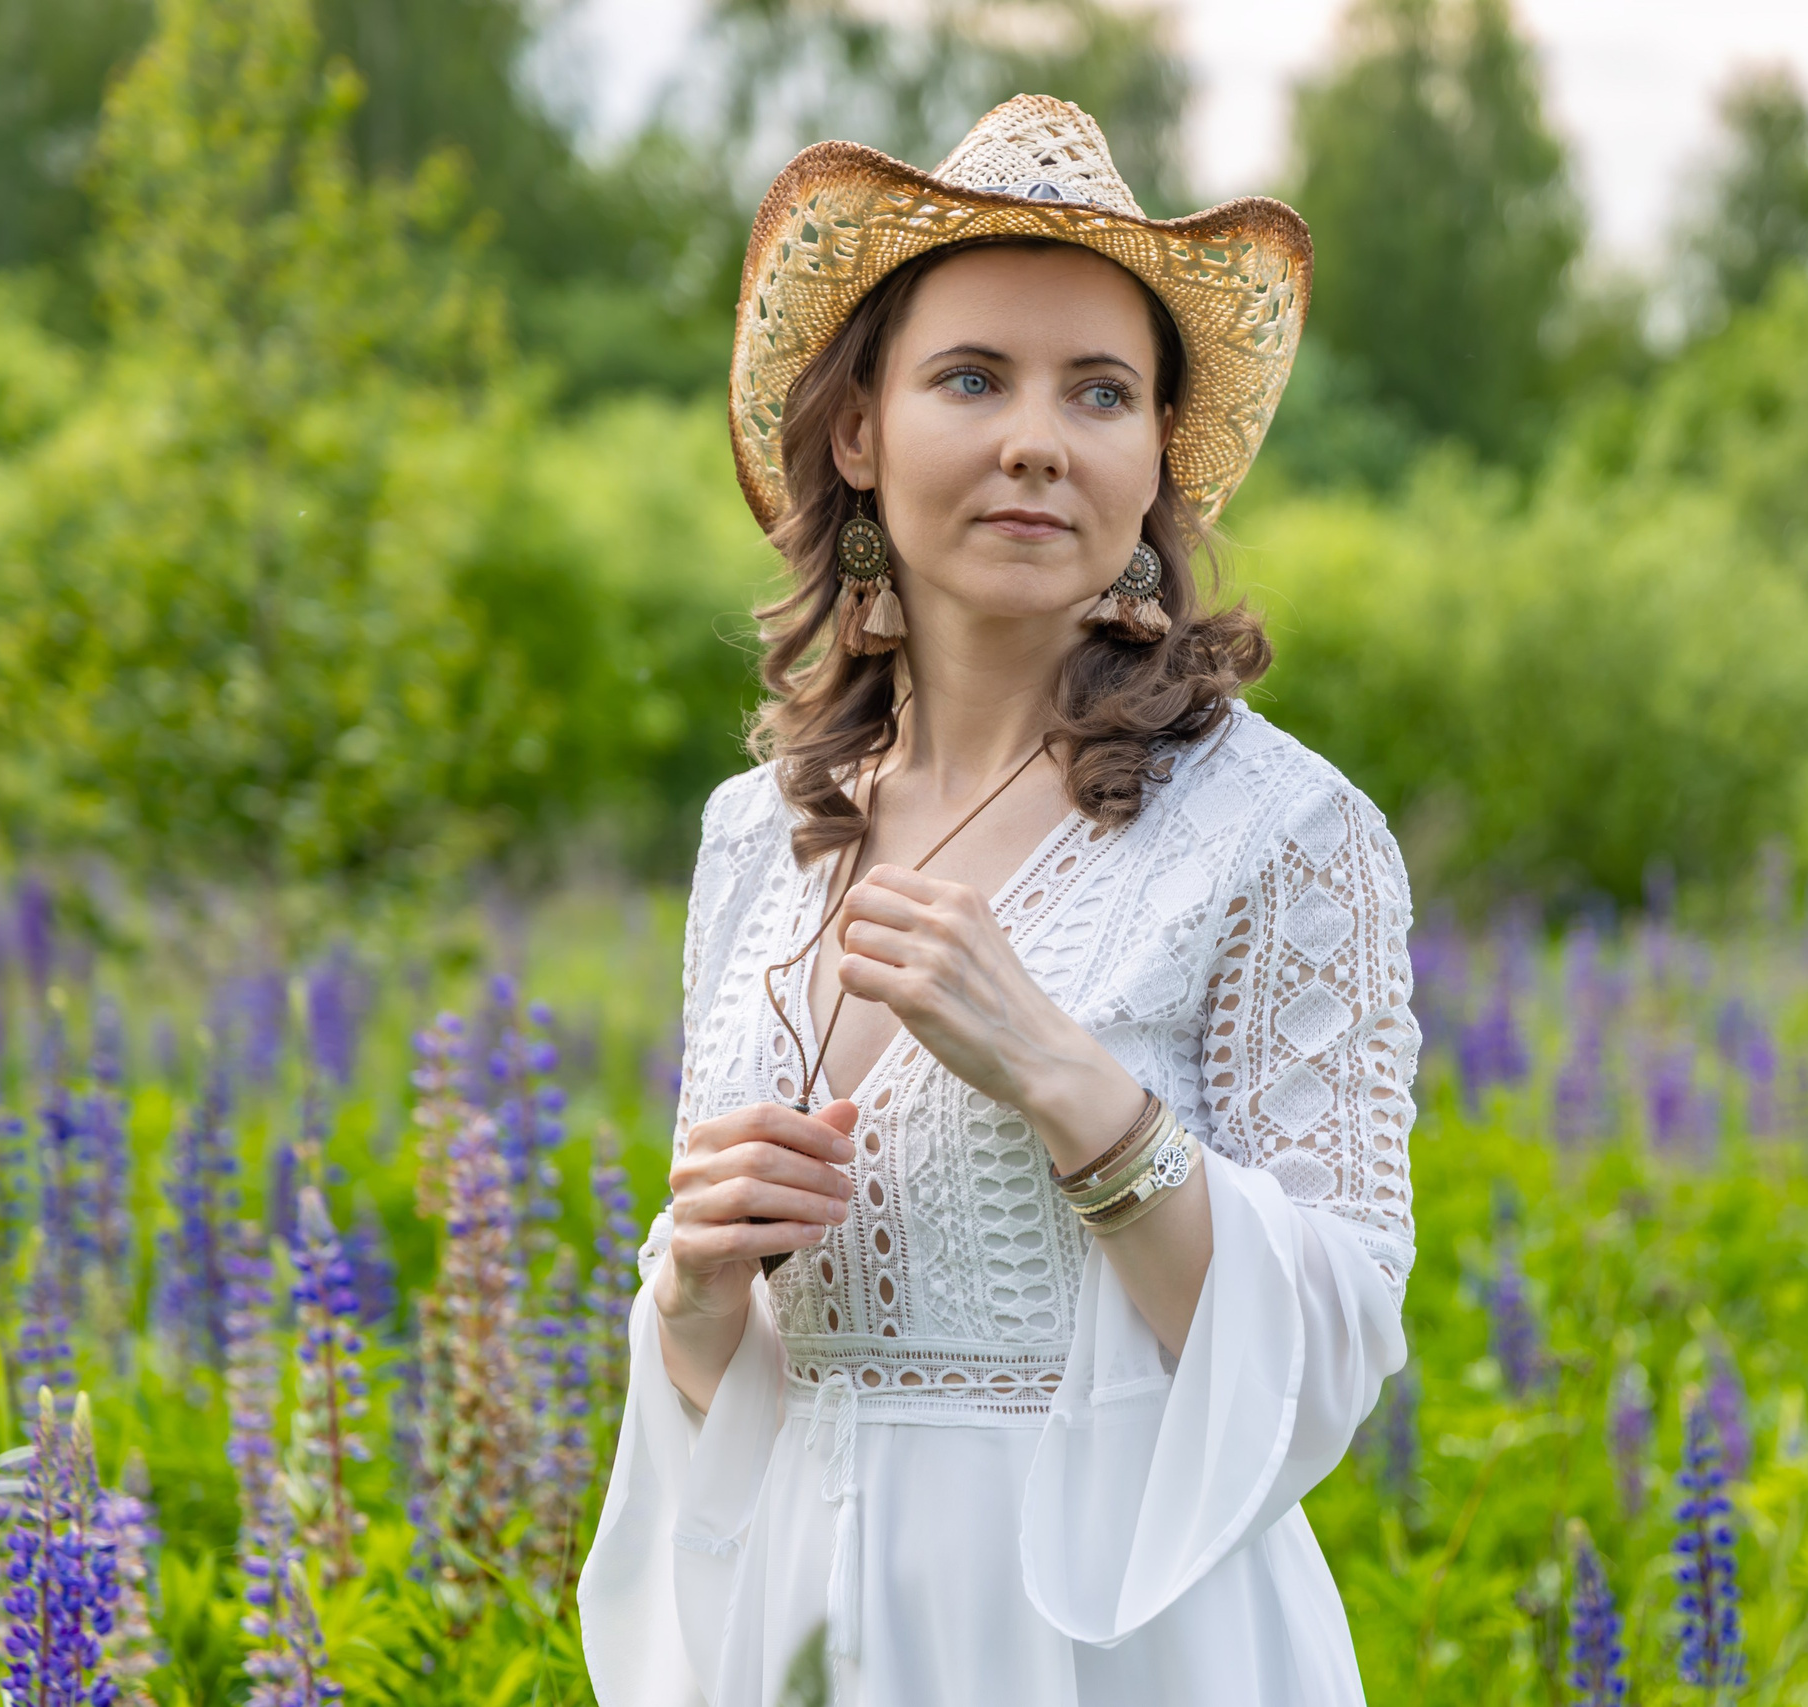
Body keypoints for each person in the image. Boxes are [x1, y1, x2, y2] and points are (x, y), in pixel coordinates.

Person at [578, 94, 1418, 1707]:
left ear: (1153, 453)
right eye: (974, 377)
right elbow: (751, 1380)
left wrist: (1071, 1088)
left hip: (1118, 1643)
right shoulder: (760, 836)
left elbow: (1328, 1352)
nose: (1040, 435)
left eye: (1100, 392)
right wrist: (689, 1299)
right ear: (859, 431)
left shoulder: (1280, 832)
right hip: (810, 1624)